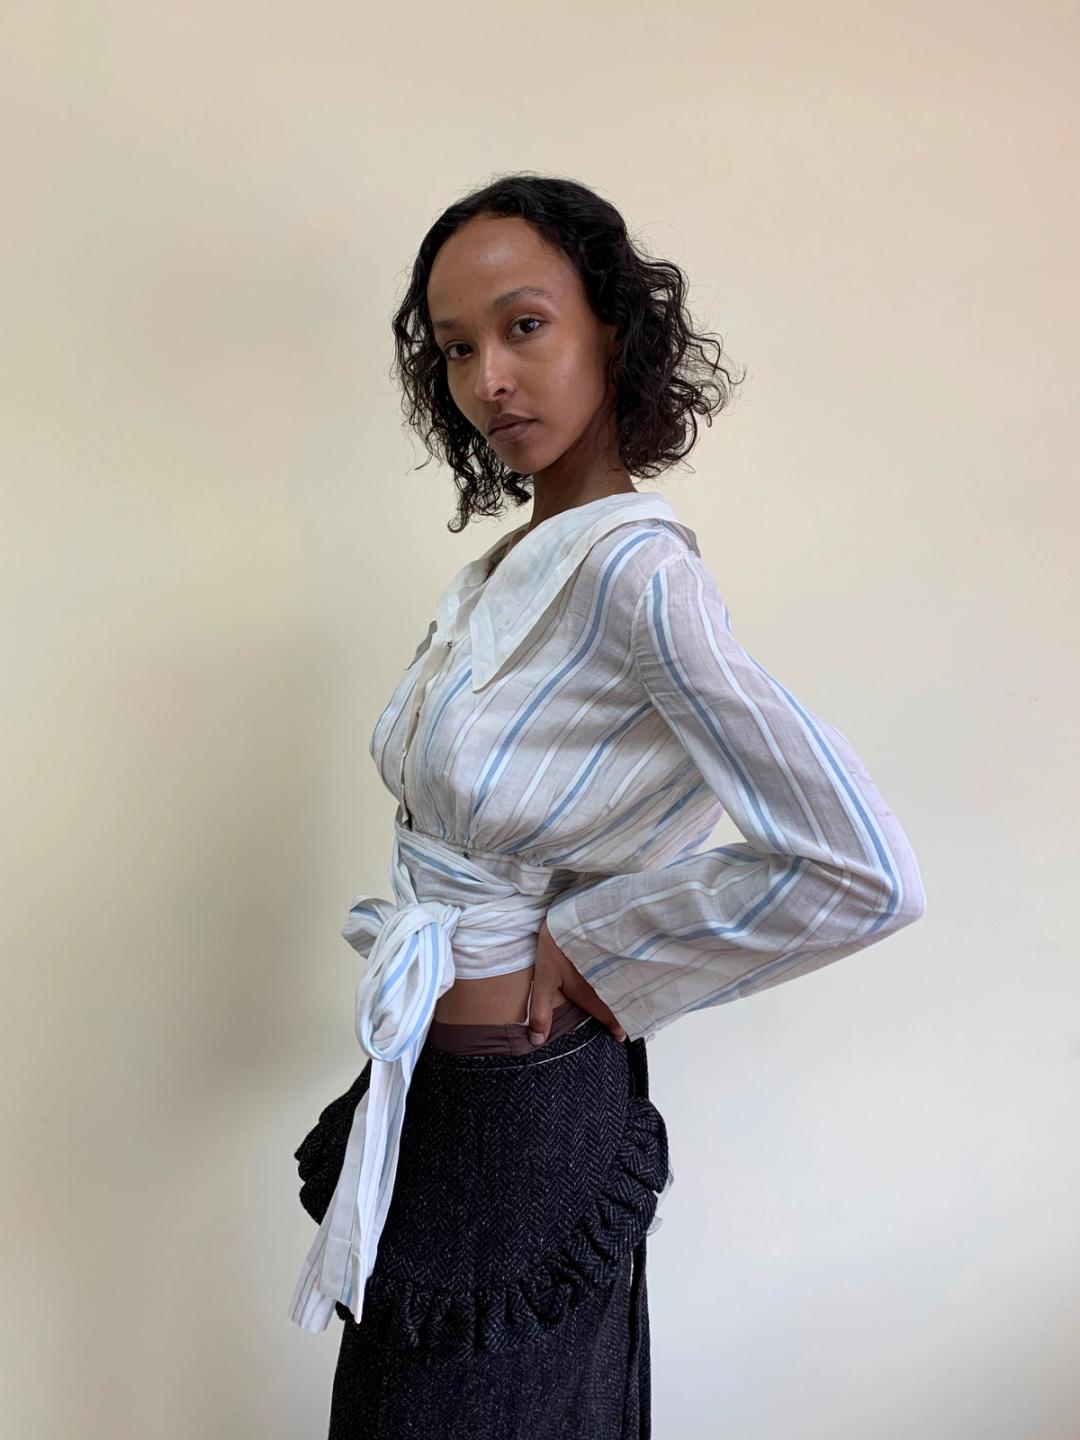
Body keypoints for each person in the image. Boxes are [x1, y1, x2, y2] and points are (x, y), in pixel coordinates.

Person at [288, 173, 926, 1439]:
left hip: (526, 1119)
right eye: (456, 348)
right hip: (441, 1088)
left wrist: (599, 947)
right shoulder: (505, 574)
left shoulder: (639, 576)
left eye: (524, 326)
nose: (489, 379)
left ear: (612, 330)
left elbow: (862, 866)